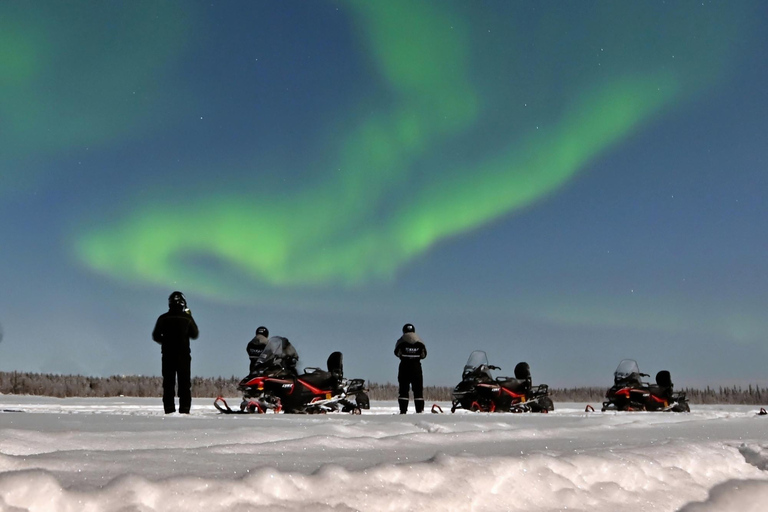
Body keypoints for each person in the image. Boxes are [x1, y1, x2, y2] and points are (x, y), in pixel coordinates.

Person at [152, 291, 199, 414]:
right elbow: (195, 334)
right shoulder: (187, 318)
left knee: (168, 384)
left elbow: (155, 335)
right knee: (184, 384)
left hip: (167, 355)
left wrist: (166, 342)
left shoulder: (163, 318)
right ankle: (184, 410)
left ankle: (169, 410)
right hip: (183, 356)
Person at [394, 323, 427, 414]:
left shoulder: (401, 341)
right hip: (416, 368)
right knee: (418, 391)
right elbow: (424, 355)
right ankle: (419, 411)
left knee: (403, 390)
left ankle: (403, 411)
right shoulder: (420, 342)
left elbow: (396, 353)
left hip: (404, 367)